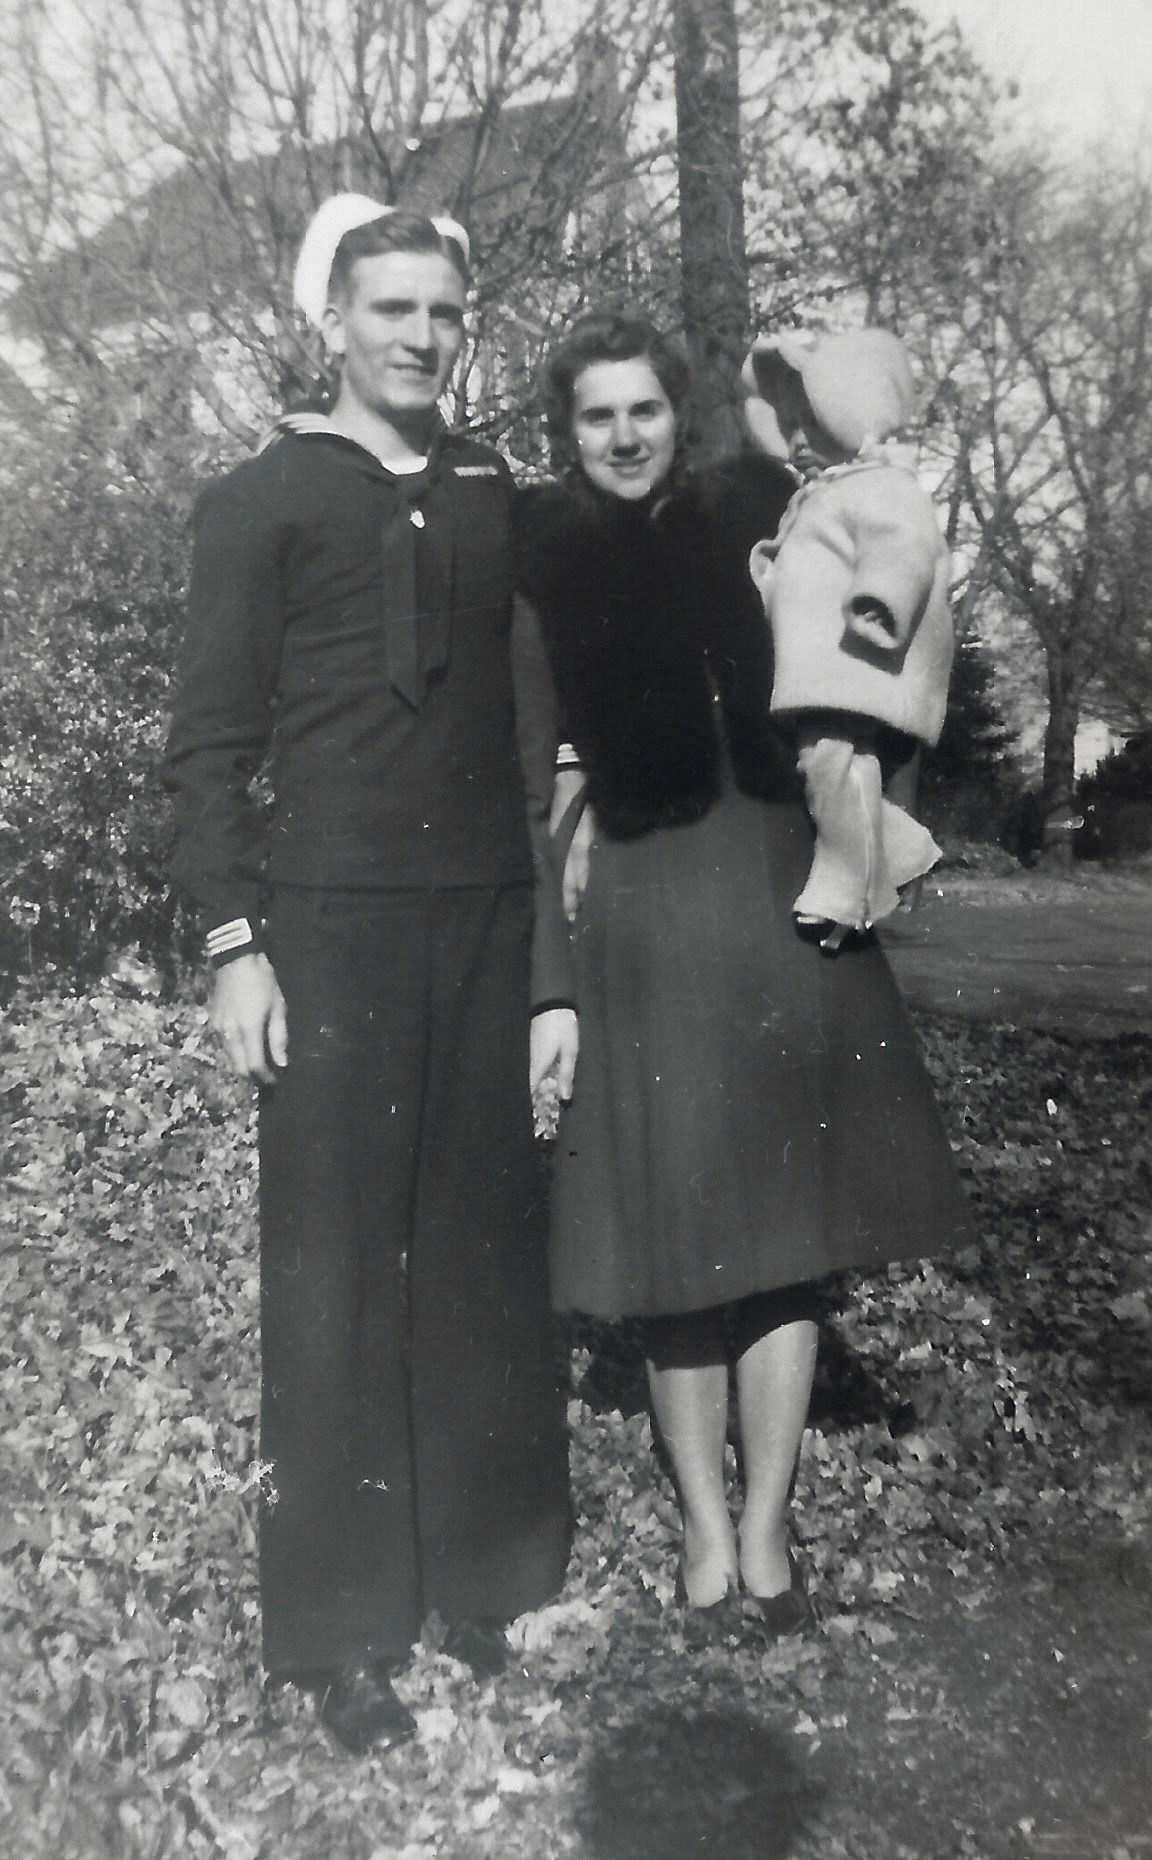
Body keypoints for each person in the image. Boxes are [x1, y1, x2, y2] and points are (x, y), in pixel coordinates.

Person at [163, 197, 578, 1755]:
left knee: (476, 1261)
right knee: (334, 1276)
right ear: (332, 320)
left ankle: (479, 1581)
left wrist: (551, 974)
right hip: (326, 928)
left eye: (444, 314)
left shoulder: (495, 498)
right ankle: (340, 1630)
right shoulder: (262, 501)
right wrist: (232, 942)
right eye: (391, 310)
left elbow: (544, 738)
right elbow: (206, 747)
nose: (419, 337)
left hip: (478, 921)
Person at [514, 310, 970, 1634]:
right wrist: (551, 969)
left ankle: (768, 1533)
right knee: (678, 1245)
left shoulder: (757, 514)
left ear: (677, 413)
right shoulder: (542, 565)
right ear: (570, 432)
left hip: (780, 888)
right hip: (647, 915)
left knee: (782, 1246)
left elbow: (867, 668)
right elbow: (526, 786)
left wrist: (867, 827)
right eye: (596, 417)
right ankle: (707, 1542)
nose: (623, 437)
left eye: (643, 410)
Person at [742, 326, 955, 948]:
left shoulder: (884, 485)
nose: (799, 438)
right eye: (789, 423)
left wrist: (880, 603)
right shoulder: (824, 493)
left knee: (833, 762)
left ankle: (849, 887)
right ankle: (901, 850)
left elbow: (905, 547)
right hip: (825, 672)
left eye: (813, 420)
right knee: (825, 765)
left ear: (854, 414)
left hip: (856, 667)